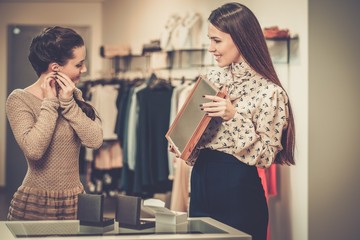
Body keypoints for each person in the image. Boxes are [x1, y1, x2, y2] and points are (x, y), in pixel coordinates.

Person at [169, 3, 295, 240]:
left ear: (241, 39)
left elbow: (267, 156)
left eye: (217, 41)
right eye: (210, 40)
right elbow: (202, 141)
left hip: (238, 191)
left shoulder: (270, 92)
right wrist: (183, 144)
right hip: (200, 182)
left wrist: (233, 116)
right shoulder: (210, 80)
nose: (211, 49)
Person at [6, 26, 103, 220]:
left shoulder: (74, 97)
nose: (84, 69)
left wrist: (68, 104)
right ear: (55, 68)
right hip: (36, 203)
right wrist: (50, 103)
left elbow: (95, 140)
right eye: (79, 64)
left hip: (75, 201)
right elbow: (34, 149)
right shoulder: (19, 100)